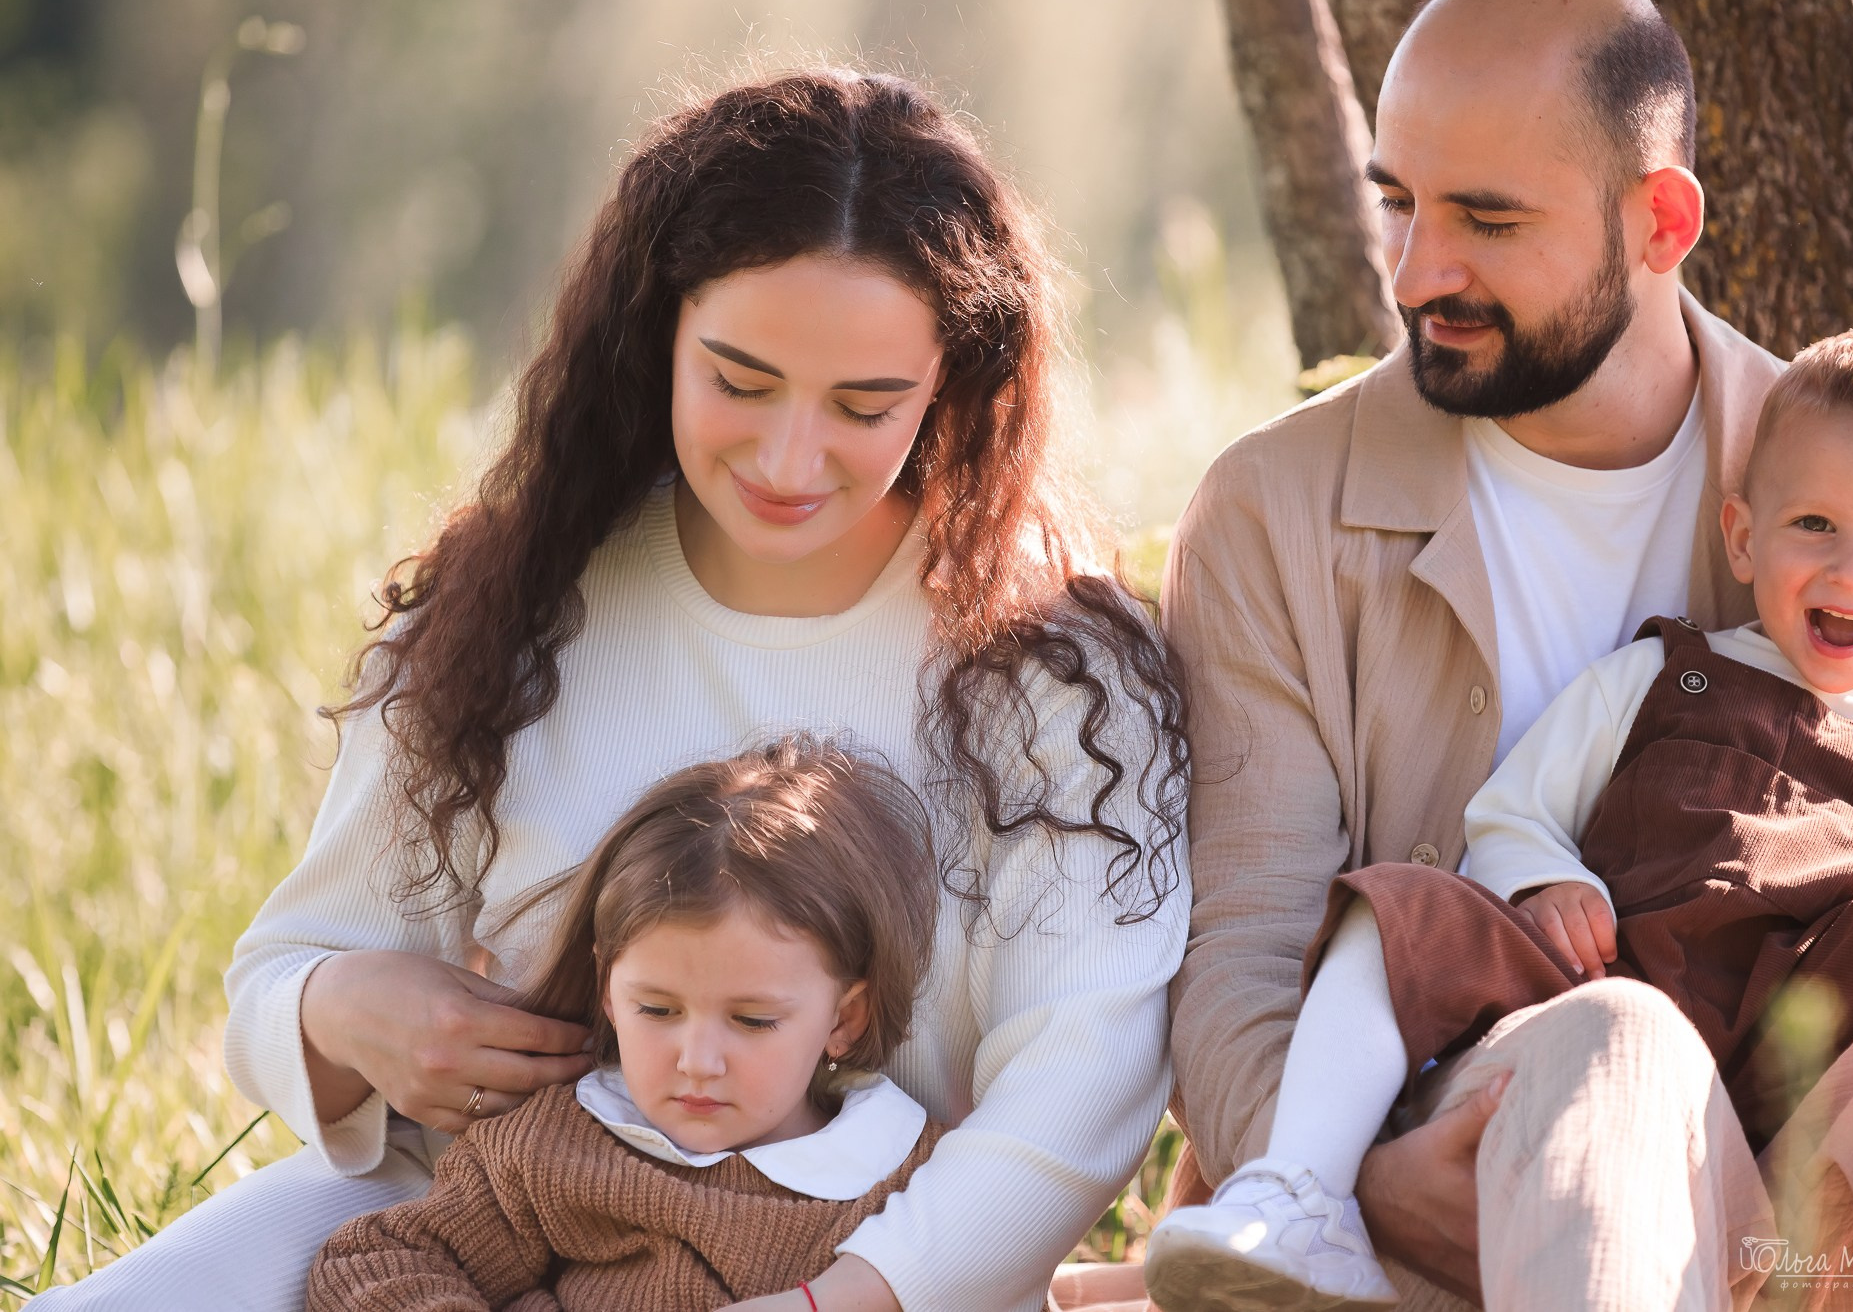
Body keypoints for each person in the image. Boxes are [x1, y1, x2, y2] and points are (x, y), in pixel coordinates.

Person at [34, 68, 1189, 1312]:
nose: (790, 458)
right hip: (459, 1245)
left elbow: (1084, 1079)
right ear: (656, 338)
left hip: (869, 1285)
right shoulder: (522, 598)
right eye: (738, 382)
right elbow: (280, 976)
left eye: (865, 406)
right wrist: (347, 1006)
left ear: (951, 383)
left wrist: (838, 1301)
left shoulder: (1052, 670)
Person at [1161, 0, 1853, 1309]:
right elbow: (1245, 964)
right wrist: (1370, 1182)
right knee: (1616, 1038)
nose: (1414, 271)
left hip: (1821, 1127)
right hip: (1477, 1119)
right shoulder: (1279, 512)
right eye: (1400, 202)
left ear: (1660, 221)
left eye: (1486, 218)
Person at [308, 736, 950, 1309]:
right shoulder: (555, 1143)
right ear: (608, 991)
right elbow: (375, 1261)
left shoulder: (907, 1181)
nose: (698, 1060)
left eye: (752, 1021)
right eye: (658, 1010)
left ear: (845, 1018)